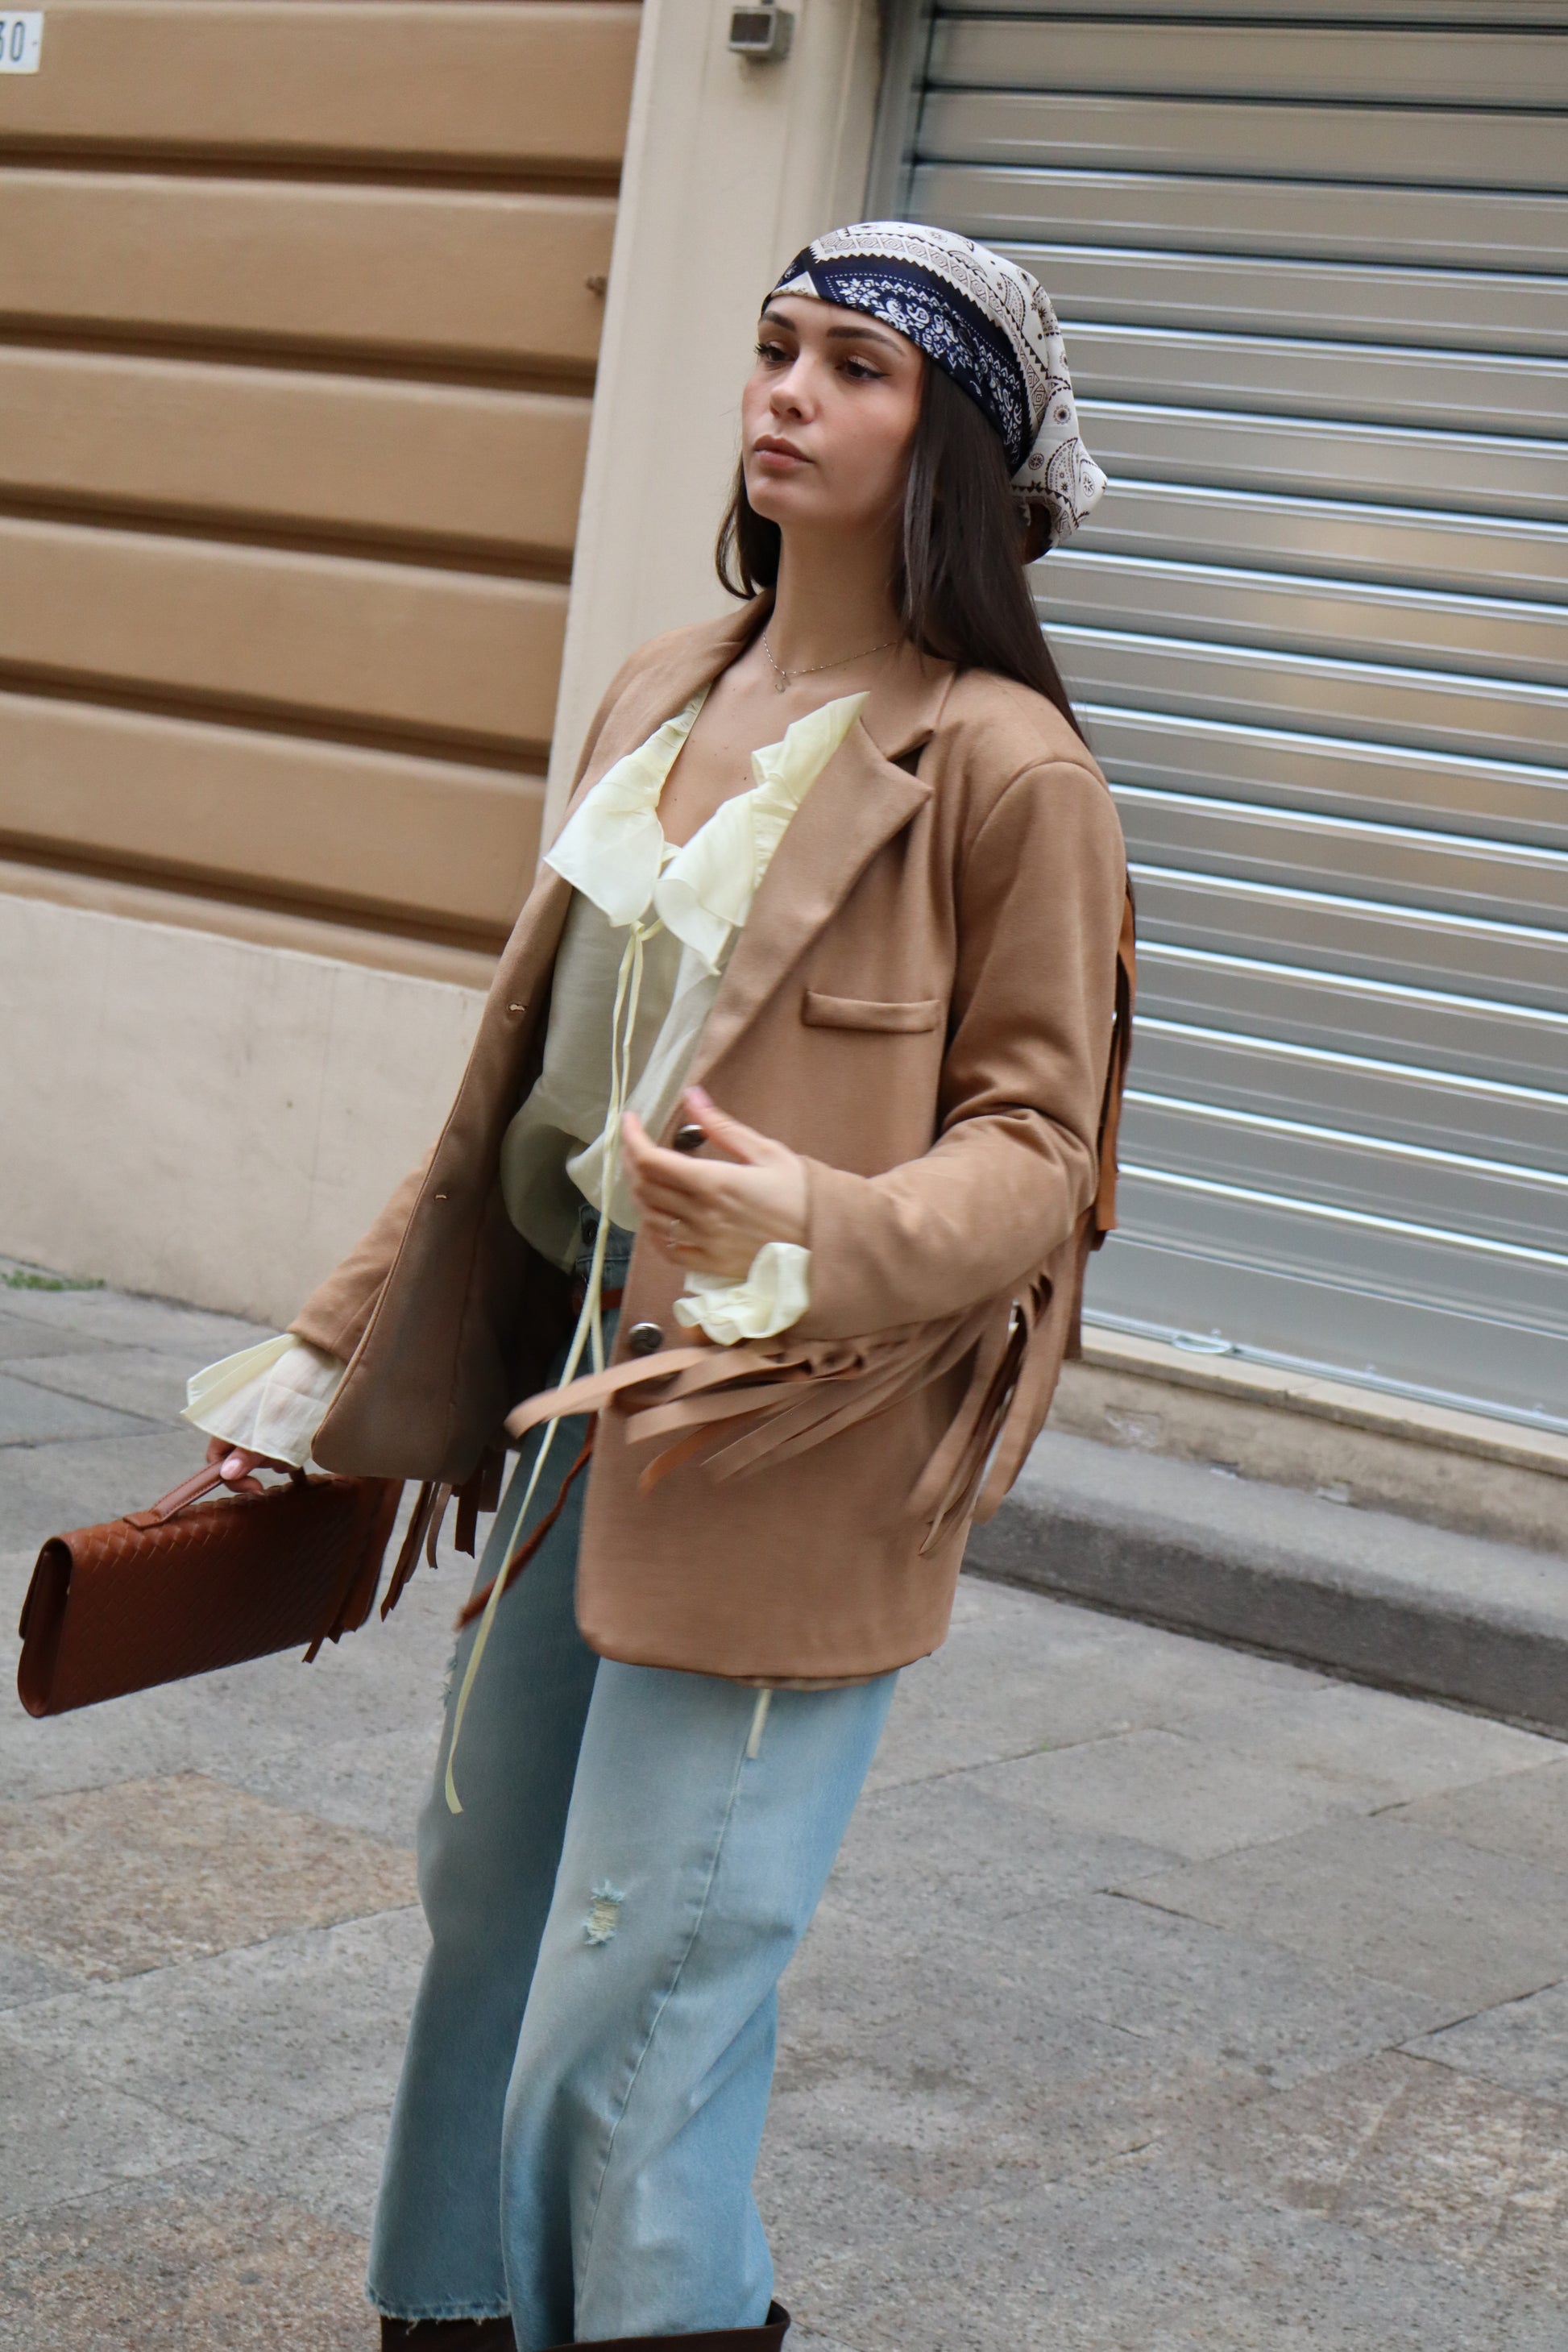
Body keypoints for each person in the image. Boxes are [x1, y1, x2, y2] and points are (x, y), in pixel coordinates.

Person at [184, 222, 1134, 2352]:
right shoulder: (664, 688)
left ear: (956, 448)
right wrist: (324, 1365)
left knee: (648, 1982)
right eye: (778, 347)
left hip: (789, 1436)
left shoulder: (1008, 769)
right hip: (566, 1409)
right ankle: (448, 2313)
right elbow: (515, 1095)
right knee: (487, 1901)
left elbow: (1042, 1160)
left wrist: (818, 1214)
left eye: (858, 368)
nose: (788, 389)